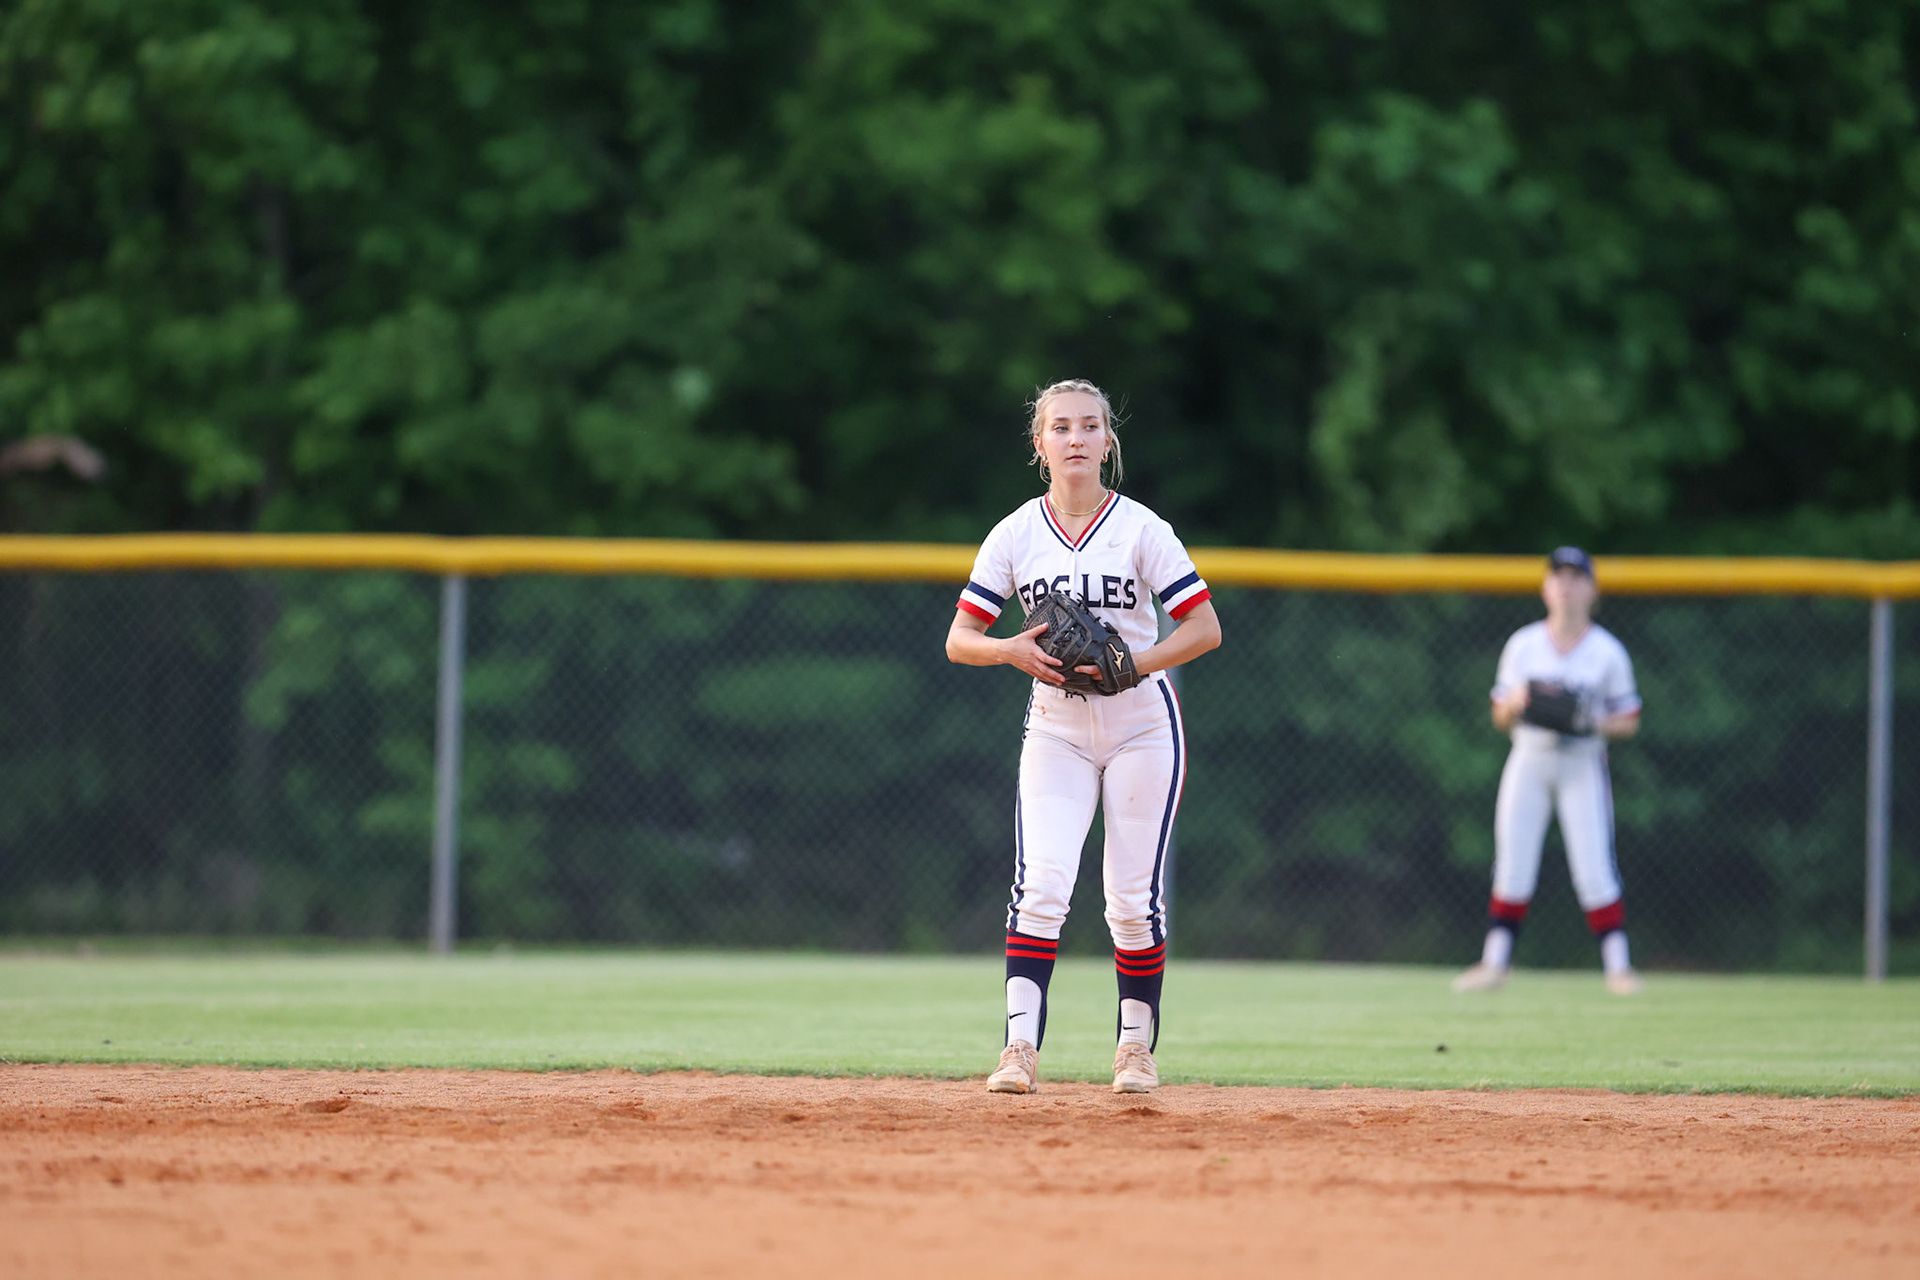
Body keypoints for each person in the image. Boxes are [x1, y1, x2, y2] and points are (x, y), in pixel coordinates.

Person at [946, 379, 1222, 1094]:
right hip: (1057, 726)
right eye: (1060, 427)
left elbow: (1203, 628)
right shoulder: (1015, 534)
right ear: (1040, 446)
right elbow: (960, 639)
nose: (1075, 438)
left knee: (1130, 900)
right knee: (1041, 886)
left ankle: (1135, 1049)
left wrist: (1136, 664)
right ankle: (1018, 1050)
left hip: (1140, 727)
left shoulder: (1141, 529)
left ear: (1108, 442)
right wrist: (1009, 648)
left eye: (1089, 426)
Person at [1454, 546, 1645, 995]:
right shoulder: (1524, 645)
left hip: (1581, 763)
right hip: (1531, 759)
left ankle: (1619, 968)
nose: (1566, 585)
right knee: (1513, 864)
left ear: (1592, 589)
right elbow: (1499, 716)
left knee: (1594, 867)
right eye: (1557, 576)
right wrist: (1517, 704)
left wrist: (1592, 721)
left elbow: (1630, 718)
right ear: (1545, 587)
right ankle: (1494, 963)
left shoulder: (1606, 652)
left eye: (1576, 577)